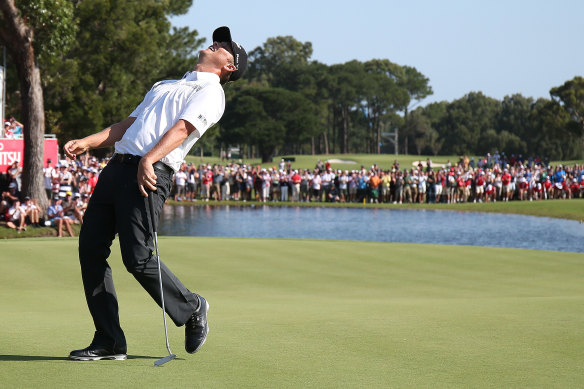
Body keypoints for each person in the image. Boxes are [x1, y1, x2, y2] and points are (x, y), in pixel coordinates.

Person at [63, 26, 247, 361]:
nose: (217, 42)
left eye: (225, 46)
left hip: (150, 172)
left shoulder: (212, 92)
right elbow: (127, 126)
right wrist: (88, 141)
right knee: (90, 249)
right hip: (116, 168)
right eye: (218, 39)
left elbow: (182, 129)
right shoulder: (164, 85)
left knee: (137, 257)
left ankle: (192, 307)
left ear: (229, 66)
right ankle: (109, 340)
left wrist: (149, 158)